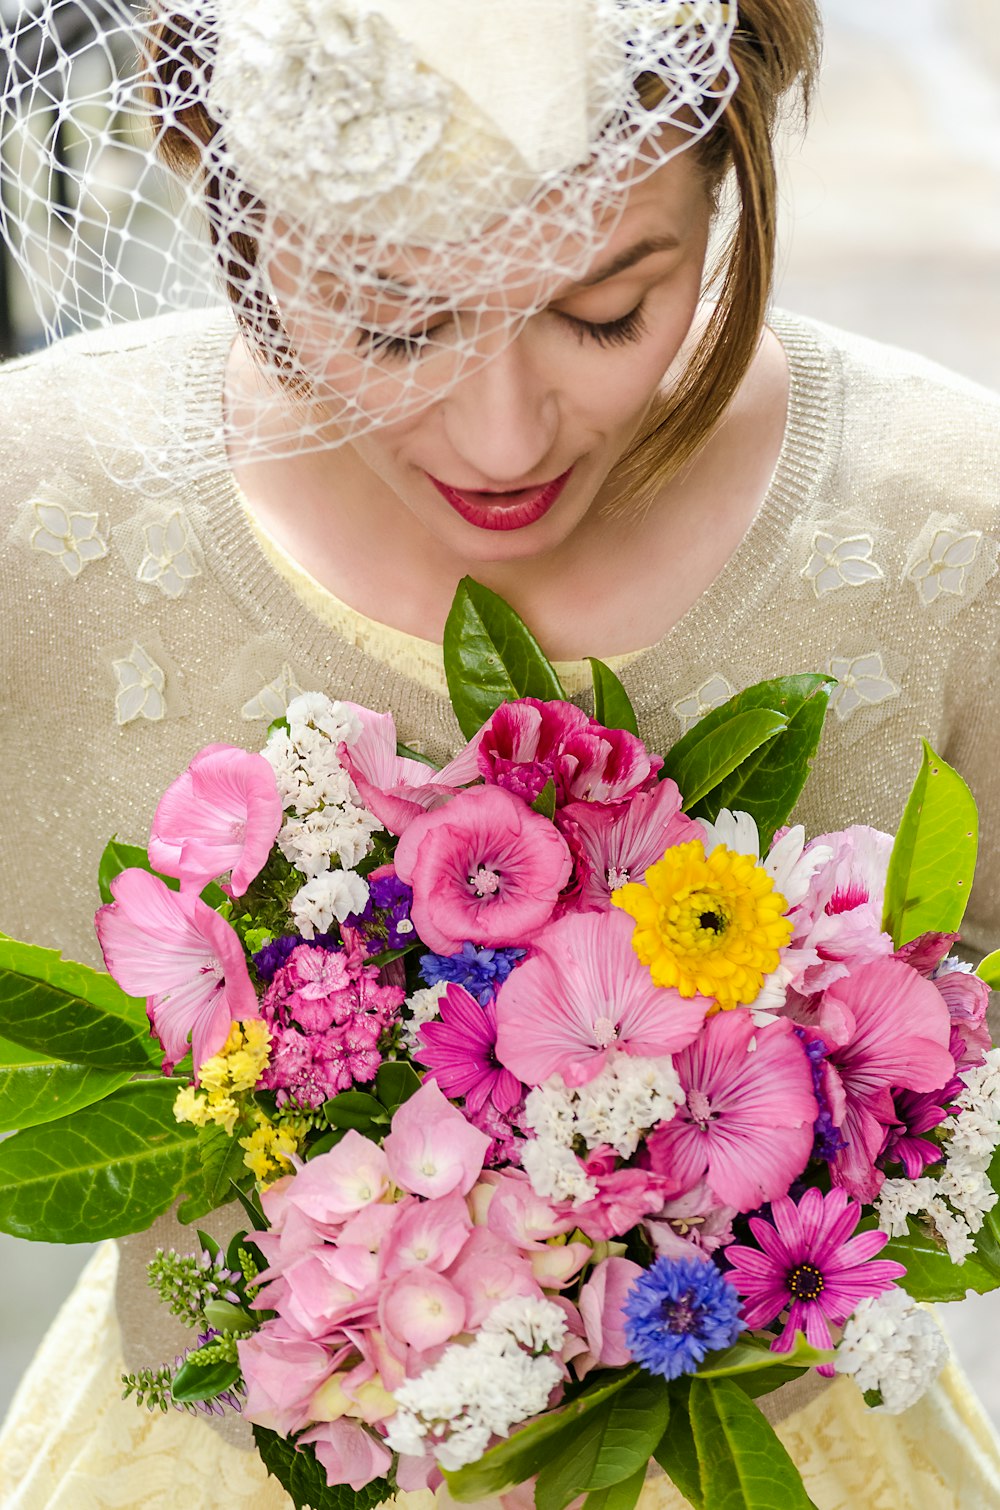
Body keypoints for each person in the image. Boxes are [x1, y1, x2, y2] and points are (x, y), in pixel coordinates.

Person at [0, 1, 999, 1505]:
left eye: (607, 309)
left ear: (728, 175)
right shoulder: (42, 522)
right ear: (224, 185)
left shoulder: (942, 526)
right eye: (394, 321)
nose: (503, 435)